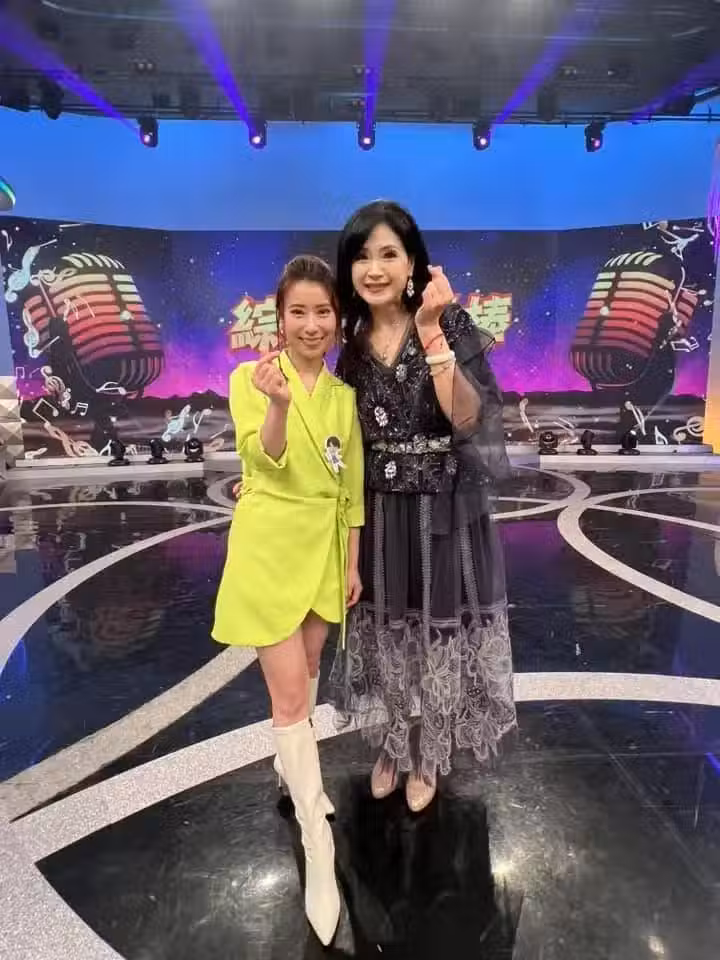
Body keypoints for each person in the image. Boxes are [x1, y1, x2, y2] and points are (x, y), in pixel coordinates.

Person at [329, 201, 516, 813]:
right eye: (362, 256)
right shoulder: (352, 342)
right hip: (380, 514)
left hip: (442, 510)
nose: (375, 268)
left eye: (389, 254)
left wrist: (433, 333)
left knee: (436, 628)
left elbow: (470, 418)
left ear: (412, 262)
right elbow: (344, 436)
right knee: (387, 629)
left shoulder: (449, 320)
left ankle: (430, 751)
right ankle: (392, 743)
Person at [213, 255, 364, 945]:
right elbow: (263, 459)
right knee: (292, 699)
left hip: (323, 554)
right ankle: (316, 844)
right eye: (297, 312)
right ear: (279, 318)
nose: (311, 324)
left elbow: (351, 491)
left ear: (337, 319)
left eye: (322, 311)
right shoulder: (251, 379)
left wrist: (351, 564)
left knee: (306, 673)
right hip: (270, 549)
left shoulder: (343, 398)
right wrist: (276, 404)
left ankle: (287, 766)